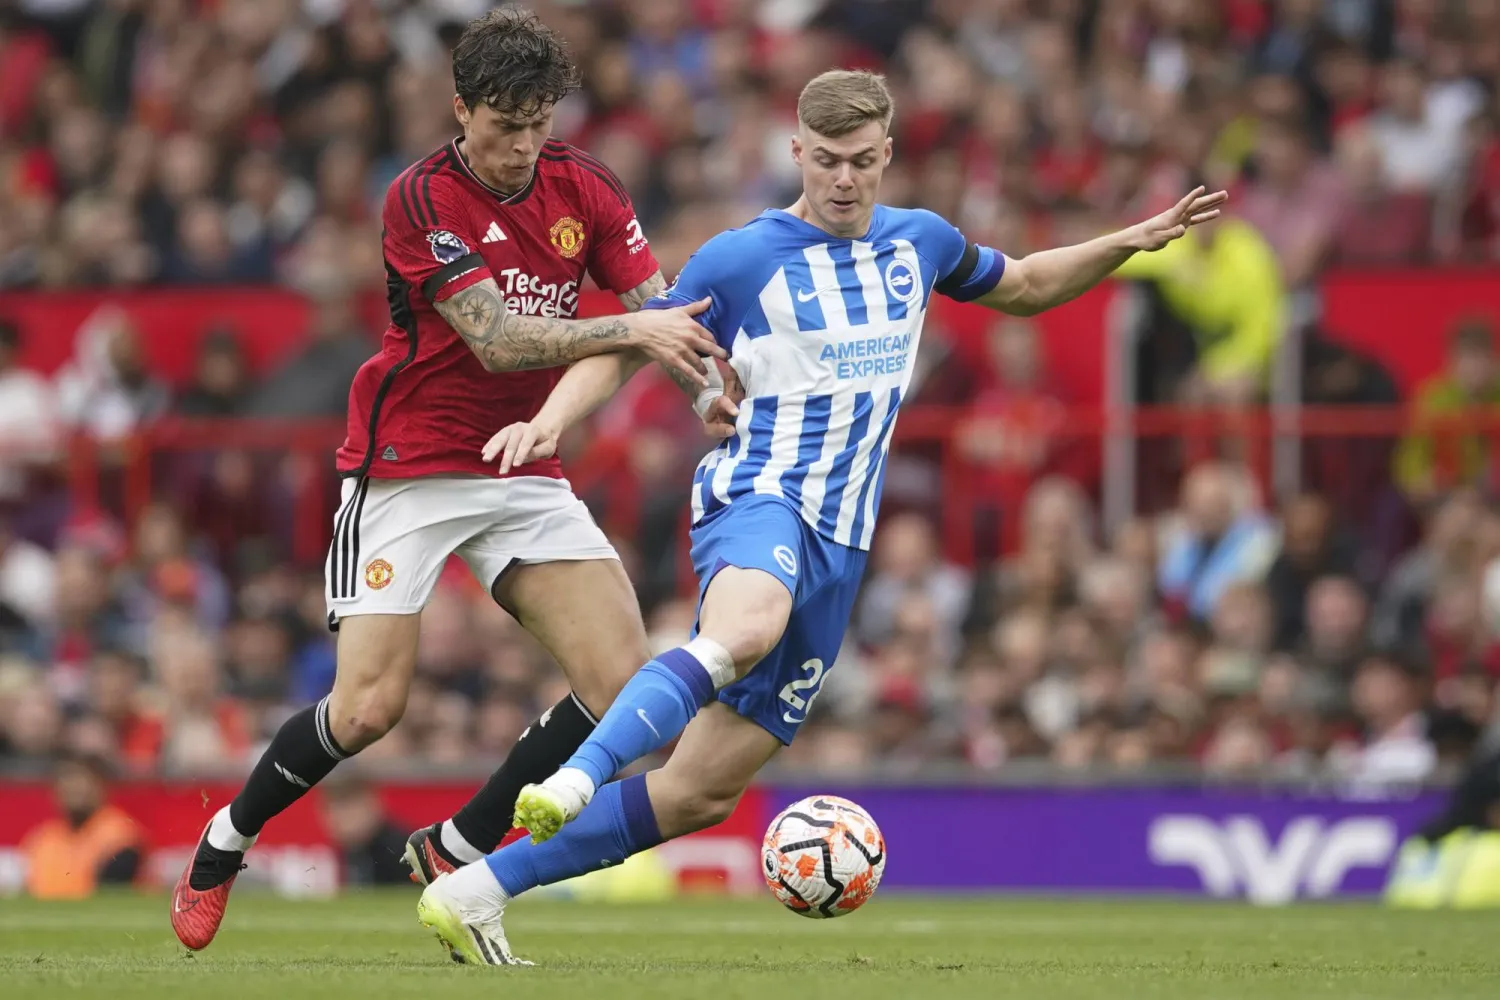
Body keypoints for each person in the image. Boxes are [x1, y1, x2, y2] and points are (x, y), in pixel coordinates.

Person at [414, 68, 1225, 965]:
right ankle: (577, 774)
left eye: (863, 161)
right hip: (760, 494)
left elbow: (1026, 284)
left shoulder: (922, 242)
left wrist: (1131, 241)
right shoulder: (742, 255)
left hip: (843, 542)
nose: (845, 179)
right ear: (798, 153)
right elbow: (634, 344)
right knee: (746, 627)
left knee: (697, 795)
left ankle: (477, 889)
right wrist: (550, 421)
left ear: (888, 155)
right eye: (828, 160)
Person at [170, 9, 724, 952]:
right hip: (407, 467)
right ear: (459, 108)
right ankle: (225, 843)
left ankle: (459, 843)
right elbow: (500, 338)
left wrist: (709, 387)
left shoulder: (583, 184)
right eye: (504, 126)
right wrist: (634, 334)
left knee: (620, 677)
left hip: (518, 459)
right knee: (368, 709)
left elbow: (658, 306)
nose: (521, 147)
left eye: (538, 124)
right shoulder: (419, 198)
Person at [23, 753, 142, 899]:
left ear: (100, 788)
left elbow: (114, 888)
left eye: (81, 783)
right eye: (67, 783)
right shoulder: (43, 837)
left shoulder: (119, 835)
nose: (73, 791)